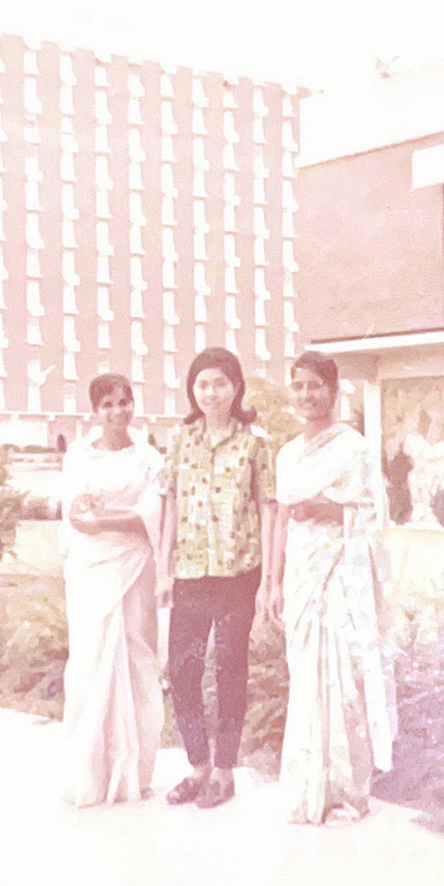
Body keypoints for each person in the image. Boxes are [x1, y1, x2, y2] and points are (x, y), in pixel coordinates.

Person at [263, 351, 397, 825]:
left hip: (342, 577)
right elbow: (281, 516)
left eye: (314, 385)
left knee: (342, 680)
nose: (306, 395)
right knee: (307, 678)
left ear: (334, 390)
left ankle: (345, 791)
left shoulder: (354, 449)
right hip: (302, 576)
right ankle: (307, 785)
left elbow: (375, 518)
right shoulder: (287, 454)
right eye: (298, 385)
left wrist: (328, 509)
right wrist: (273, 582)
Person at [161, 347, 276, 809]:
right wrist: (164, 568)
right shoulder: (180, 441)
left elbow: (268, 509)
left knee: (230, 670)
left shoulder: (254, 443)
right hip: (190, 572)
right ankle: (197, 766)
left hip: (237, 574)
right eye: (202, 384)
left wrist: (269, 578)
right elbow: (170, 503)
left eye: (220, 383)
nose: (211, 393)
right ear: (193, 391)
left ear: (236, 388)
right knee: (183, 670)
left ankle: (225, 770)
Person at [60, 373, 165, 807]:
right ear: (95, 410)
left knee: (136, 660)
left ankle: (134, 774)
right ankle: (93, 773)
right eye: (108, 404)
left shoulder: (149, 458)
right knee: (91, 663)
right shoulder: (79, 455)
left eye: (124, 402)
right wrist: (92, 518)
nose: (118, 411)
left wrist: (104, 520)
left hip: (134, 567)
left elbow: (150, 515)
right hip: (92, 570)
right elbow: (72, 510)